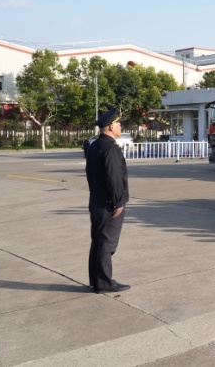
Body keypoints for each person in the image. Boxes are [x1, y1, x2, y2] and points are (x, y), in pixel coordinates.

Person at [85, 108, 130, 293]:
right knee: (106, 243)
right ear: (112, 126)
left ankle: (96, 280)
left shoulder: (95, 145)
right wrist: (118, 202)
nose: (120, 127)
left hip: (96, 200)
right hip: (108, 204)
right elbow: (113, 177)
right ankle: (104, 282)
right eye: (119, 124)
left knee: (97, 241)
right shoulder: (109, 147)